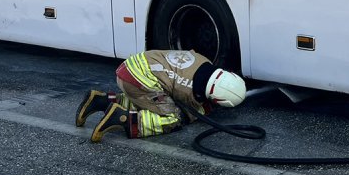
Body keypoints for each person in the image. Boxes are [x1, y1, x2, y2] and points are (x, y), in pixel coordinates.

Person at [75, 49, 247, 142]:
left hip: (132, 66)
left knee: (150, 100)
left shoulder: (204, 60)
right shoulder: (189, 89)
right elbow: (189, 111)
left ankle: (100, 101)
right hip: (138, 79)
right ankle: (121, 119)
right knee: (172, 116)